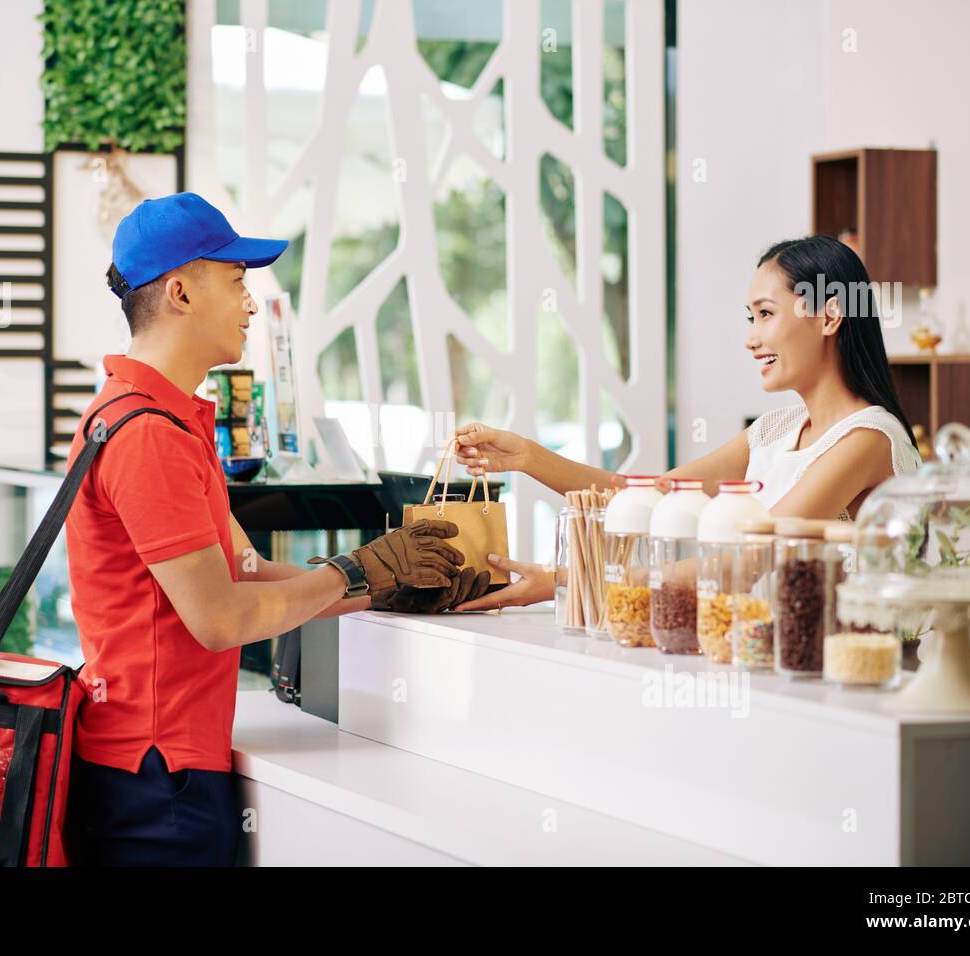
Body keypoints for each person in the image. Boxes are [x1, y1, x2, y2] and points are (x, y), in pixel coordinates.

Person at [63, 192, 491, 866]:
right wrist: (360, 569)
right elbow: (220, 618)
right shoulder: (147, 435)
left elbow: (250, 574)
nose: (251, 304)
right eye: (236, 282)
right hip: (157, 776)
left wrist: (393, 585)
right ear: (179, 292)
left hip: (155, 767)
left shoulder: (164, 418)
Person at [449, 234, 921, 612]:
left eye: (765, 315)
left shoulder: (868, 439)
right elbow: (649, 495)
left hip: (861, 683)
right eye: (751, 318)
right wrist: (527, 457)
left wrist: (567, 582)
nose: (751, 339)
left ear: (829, 316)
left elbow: (754, 559)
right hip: (780, 663)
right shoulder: (775, 428)